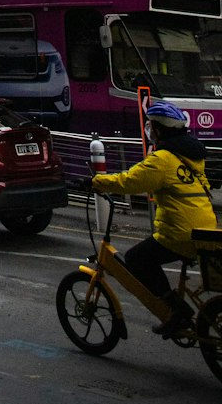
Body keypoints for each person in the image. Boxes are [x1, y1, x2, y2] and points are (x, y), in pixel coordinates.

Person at [92, 98, 217, 337]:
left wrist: (98, 182)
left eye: (150, 126)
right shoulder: (191, 157)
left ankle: (174, 309)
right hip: (204, 228)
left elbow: (129, 181)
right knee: (151, 251)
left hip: (179, 234)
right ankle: (176, 308)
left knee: (136, 258)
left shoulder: (162, 160)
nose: (149, 130)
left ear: (158, 130)